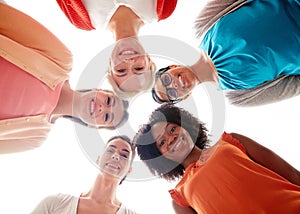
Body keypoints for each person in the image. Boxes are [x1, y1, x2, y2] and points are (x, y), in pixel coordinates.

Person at [0, 2, 128, 154]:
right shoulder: (61, 58)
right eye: (108, 100)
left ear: (93, 126)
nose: (102, 107)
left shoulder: (34, 138)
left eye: (107, 117)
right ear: (98, 90)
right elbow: (7, 19)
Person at [133, 104, 300, 213]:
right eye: (162, 142)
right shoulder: (180, 198)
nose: (171, 138)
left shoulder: (231, 141)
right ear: (160, 157)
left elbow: (289, 172)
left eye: (172, 129)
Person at [152, 0, 300, 106]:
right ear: (185, 97)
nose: (174, 85)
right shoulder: (240, 97)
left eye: (165, 80)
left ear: (172, 66)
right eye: (171, 93)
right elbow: (295, 86)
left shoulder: (203, 25)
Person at [56, 0, 177, 99]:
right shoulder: (163, 8)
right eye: (139, 68)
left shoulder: (80, 19)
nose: (129, 61)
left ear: (110, 64)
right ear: (148, 60)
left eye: (121, 70)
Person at [31, 135, 139, 214]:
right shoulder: (55, 203)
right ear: (98, 159)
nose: (115, 156)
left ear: (129, 170)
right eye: (110, 151)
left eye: (124, 155)